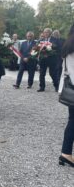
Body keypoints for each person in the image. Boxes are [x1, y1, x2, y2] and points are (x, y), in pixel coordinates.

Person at [58, 25, 74, 167]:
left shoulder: (67, 46)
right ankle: (66, 153)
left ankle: (66, 152)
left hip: (69, 88)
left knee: (72, 120)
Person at [37, 28, 61, 92]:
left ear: (50, 33)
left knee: (52, 73)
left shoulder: (55, 39)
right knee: (42, 74)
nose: (45, 33)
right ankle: (42, 87)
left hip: (52, 59)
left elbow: (58, 48)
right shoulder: (41, 40)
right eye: (44, 32)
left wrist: (51, 45)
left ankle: (57, 86)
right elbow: (38, 49)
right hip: (43, 59)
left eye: (47, 32)